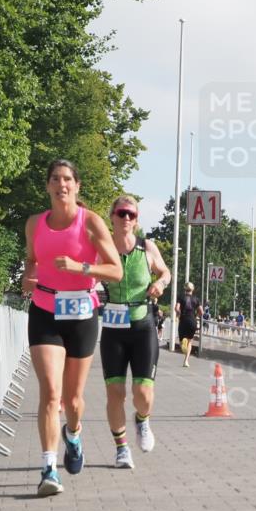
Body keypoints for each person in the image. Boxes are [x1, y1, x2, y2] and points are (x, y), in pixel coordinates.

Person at [22, 159, 122, 497]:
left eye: (67, 179)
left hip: (81, 313)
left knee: (73, 400)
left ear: (77, 186)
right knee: (51, 393)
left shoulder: (90, 222)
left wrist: (82, 268)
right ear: (47, 186)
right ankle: (49, 469)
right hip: (45, 310)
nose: (61, 184)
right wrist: (28, 277)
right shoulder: (34, 223)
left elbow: (116, 270)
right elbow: (32, 260)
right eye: (55, 179)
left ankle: (74, 434)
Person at [99, 195, 172, 468]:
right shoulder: (103, 248)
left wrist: (160, 284)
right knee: (115, 393)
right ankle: (121, 448)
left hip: (142, 326)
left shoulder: (147, 247)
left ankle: (142, 420)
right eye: (121, 213)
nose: (126, 218)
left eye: (131, 214)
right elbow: (86, 273)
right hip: (113, 328)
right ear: (112, 217)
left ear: (137, 220)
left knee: (143, 394)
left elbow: (165, 272)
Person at [175, 282, 203, 367]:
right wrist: (196, 315)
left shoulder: (181, 297)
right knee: (190, 341)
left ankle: (183, 343)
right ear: (193, 289)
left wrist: (179, 314)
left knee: (181, 340)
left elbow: (176, 308)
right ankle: (186, 361)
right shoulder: (196, 299)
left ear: (185, 289)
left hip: (183, 320)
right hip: (192, 320)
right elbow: (201, 312)